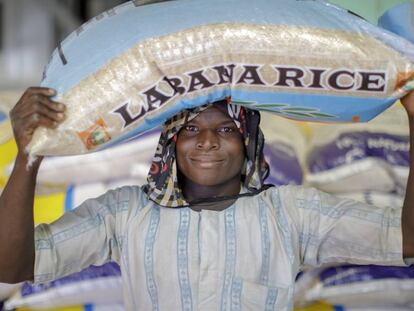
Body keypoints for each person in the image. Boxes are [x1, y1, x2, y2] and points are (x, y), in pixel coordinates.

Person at [0, 87, 413, 311]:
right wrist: (28, 157)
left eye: (227, 130)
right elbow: (13, 265)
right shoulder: (124, 213)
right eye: (192, 129)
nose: (209, 142)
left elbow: (405, 240)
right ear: (171, 142)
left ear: (249, 140)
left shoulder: (291, 212)